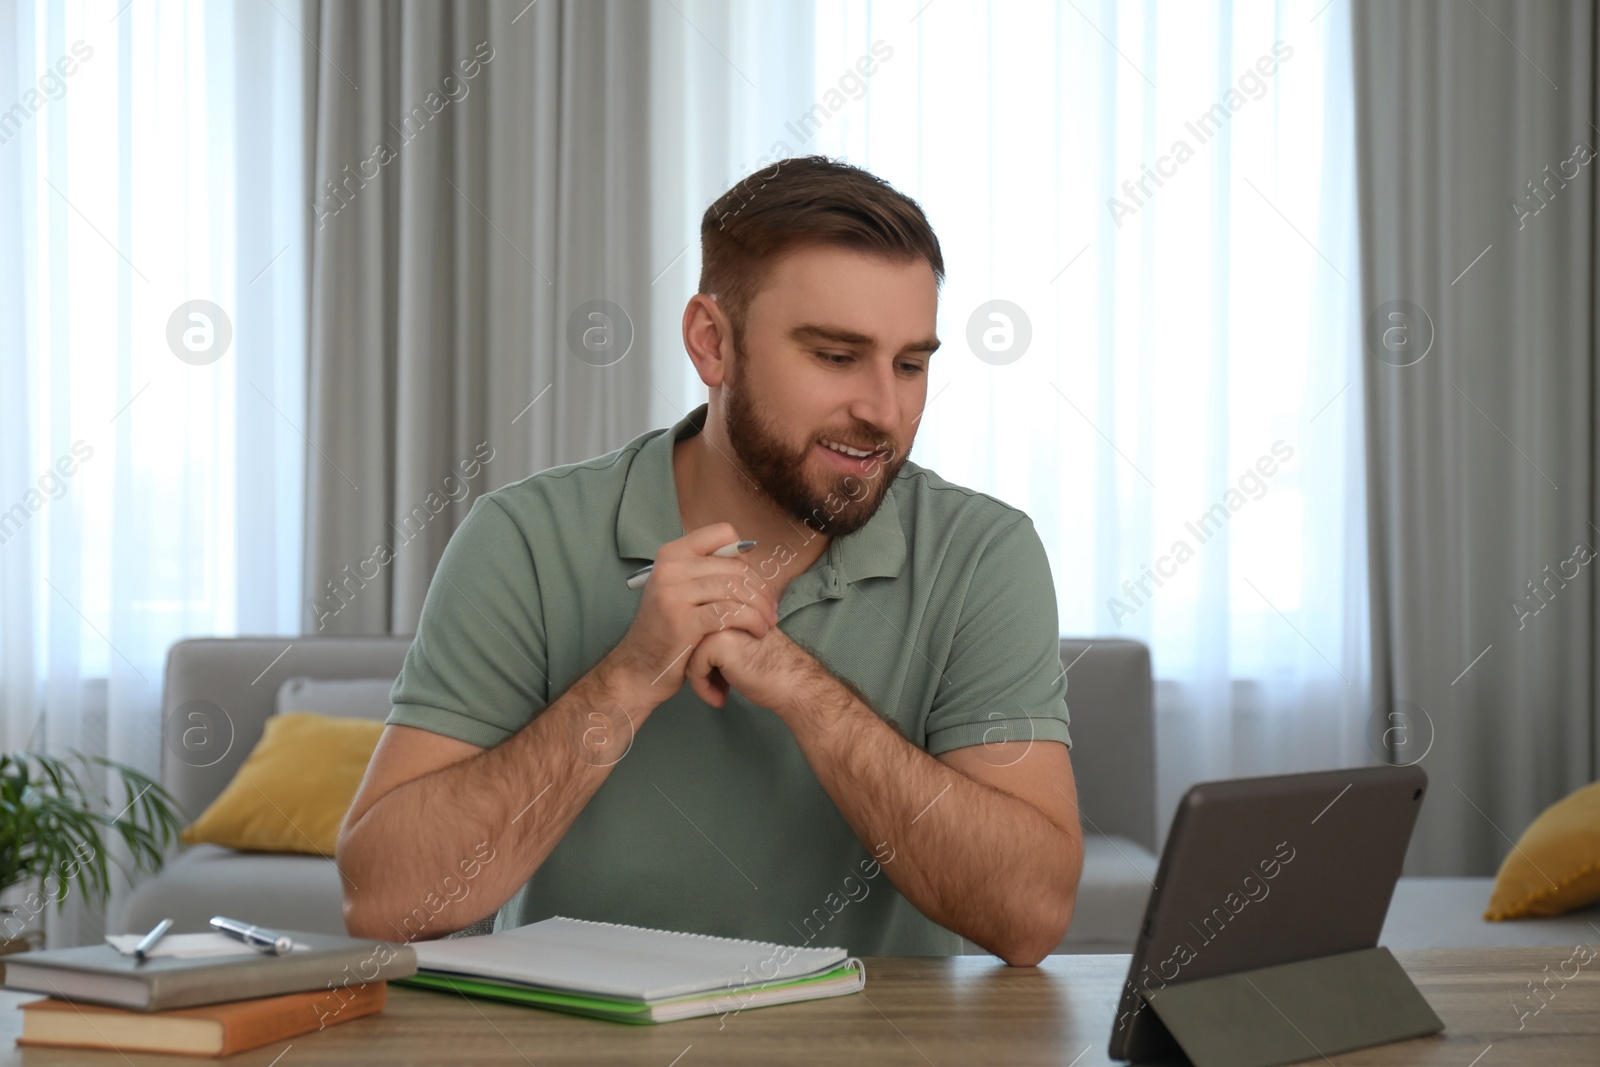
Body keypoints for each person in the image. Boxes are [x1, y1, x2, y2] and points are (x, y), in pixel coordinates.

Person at [338, 155, 1083, 965]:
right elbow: (385, 899)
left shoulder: (983, 555)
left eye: (910, 363)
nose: (884, 409)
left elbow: (1029, 916)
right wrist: (628, 678)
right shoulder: (523, 538)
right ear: (711, 342)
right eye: (836, 356)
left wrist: (804, 692)